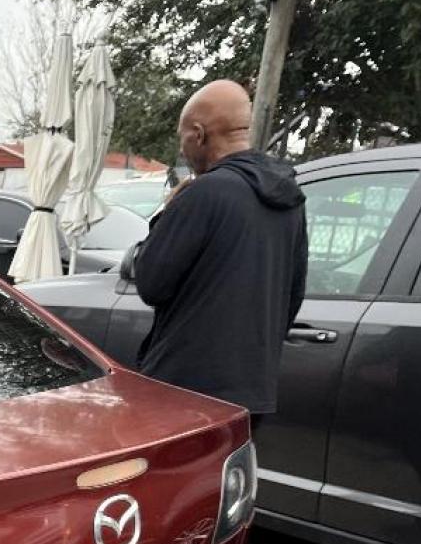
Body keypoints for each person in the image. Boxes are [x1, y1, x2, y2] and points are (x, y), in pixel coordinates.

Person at [131, 80, 308, 428]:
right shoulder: (290, 200)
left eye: (183, 138)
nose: (183, 151)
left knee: (175, 483)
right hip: (251, 392)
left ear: (198, 134)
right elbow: (293, 294)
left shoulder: (203, 194)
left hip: (184, 388)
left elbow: (151, 283)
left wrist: (168, 214)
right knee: (226, 480)